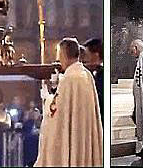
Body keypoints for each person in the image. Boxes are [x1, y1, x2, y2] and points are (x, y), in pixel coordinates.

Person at [34, 38, 103, 167]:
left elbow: (56, 112)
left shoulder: (69, 79)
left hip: (73, 137)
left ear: (64, 54)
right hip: (83, 136)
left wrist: (47, 98)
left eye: (59, 55)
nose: (59, 60)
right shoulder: (86, 75)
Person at [83, 38, 104, 125]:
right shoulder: (95, 72)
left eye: (87, 55)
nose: (85, 58)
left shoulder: (102, 74)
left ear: (95, 55)